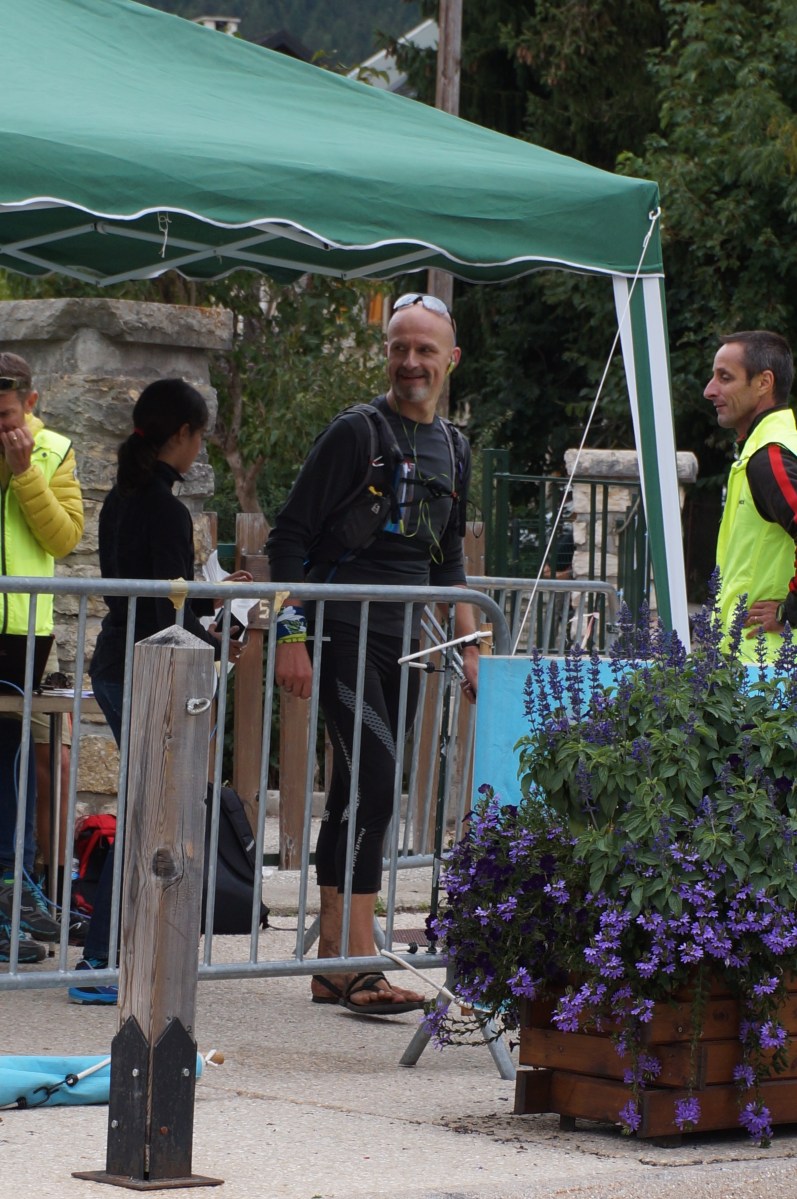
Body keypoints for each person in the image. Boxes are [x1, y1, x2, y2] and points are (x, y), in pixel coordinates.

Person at [267, 292, 479, 1015]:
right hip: (341, 632)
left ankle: (333, 962)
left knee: (356, 791)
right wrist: (291, 636)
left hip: (404, 643)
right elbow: (287, 537)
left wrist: (471, 643)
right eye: (399, 348)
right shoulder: (355, 432)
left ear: (451, 359)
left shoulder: (453, 445)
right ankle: (362, 965)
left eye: (425, 350)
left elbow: (448, 556)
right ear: (385, 353)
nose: (410, 362)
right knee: (379, 785)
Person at [69, 378, 249, 1003]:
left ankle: (111, 952)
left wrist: (210, 602)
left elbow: (147, 593)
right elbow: (167, 610)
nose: (200, 448)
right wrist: (218, 633)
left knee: (144, 806)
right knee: (146, 811)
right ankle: (100, 959)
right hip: (146, 668)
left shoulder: (121, 499)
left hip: (117, 660)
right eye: (200, 437)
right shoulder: (166, 509)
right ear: (184, 434)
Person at [0, 353, 84, 964]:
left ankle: (12, 888)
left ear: (30, 404)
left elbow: (63, 537)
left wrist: (24, 472)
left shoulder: (54, 449)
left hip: (23, 632)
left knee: (11, 759)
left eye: (6, 415)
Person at [704, 329, 797, 662]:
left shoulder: (770, 457)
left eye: (725, 377)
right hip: (757, 666)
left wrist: (790, 611)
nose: (709, 390)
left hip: (766, 668)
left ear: (763, 383)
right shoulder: (770, 450)